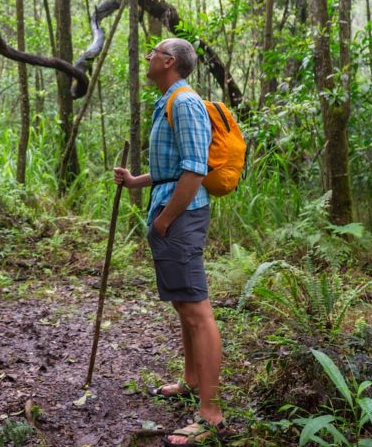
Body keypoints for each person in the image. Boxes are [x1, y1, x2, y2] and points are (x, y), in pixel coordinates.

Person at [114, 38, 225, 445]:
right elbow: (173, 168)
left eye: (152, 52)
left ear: (169, 61)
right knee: (183, 304)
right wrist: (135, 181)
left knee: (197, 309)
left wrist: (165, 219)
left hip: (180, 216)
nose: (146, 57)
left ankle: (211, 413)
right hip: (170, 212)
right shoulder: (168, 101)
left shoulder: (185, 103)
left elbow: (195, 171)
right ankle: (192, 381)